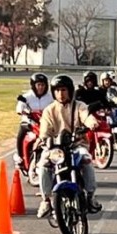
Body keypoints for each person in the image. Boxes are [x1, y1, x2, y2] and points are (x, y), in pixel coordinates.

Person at [36, 74, 103, 218]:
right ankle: (46, 200)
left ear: (70, 90)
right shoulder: (49, 110)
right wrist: (44, 140)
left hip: (76, 145)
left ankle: (90, 196)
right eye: (58, 90)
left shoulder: (79, 106)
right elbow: (44, 131)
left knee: (86, 158)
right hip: (56, 148)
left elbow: (86, 116)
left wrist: (92, 123)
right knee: (43, 163)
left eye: (64, 90)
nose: (61, 94)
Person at [14, 72, 53, 169]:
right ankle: (20, 156)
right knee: (22, 131)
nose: (40, 87)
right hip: (29, 122)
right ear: (33, 85)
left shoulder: (50, 97)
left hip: (45, 122)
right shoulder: (26, 97)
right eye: (38, 85)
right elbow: (20, 106)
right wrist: (23, 111)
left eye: (43, 85)